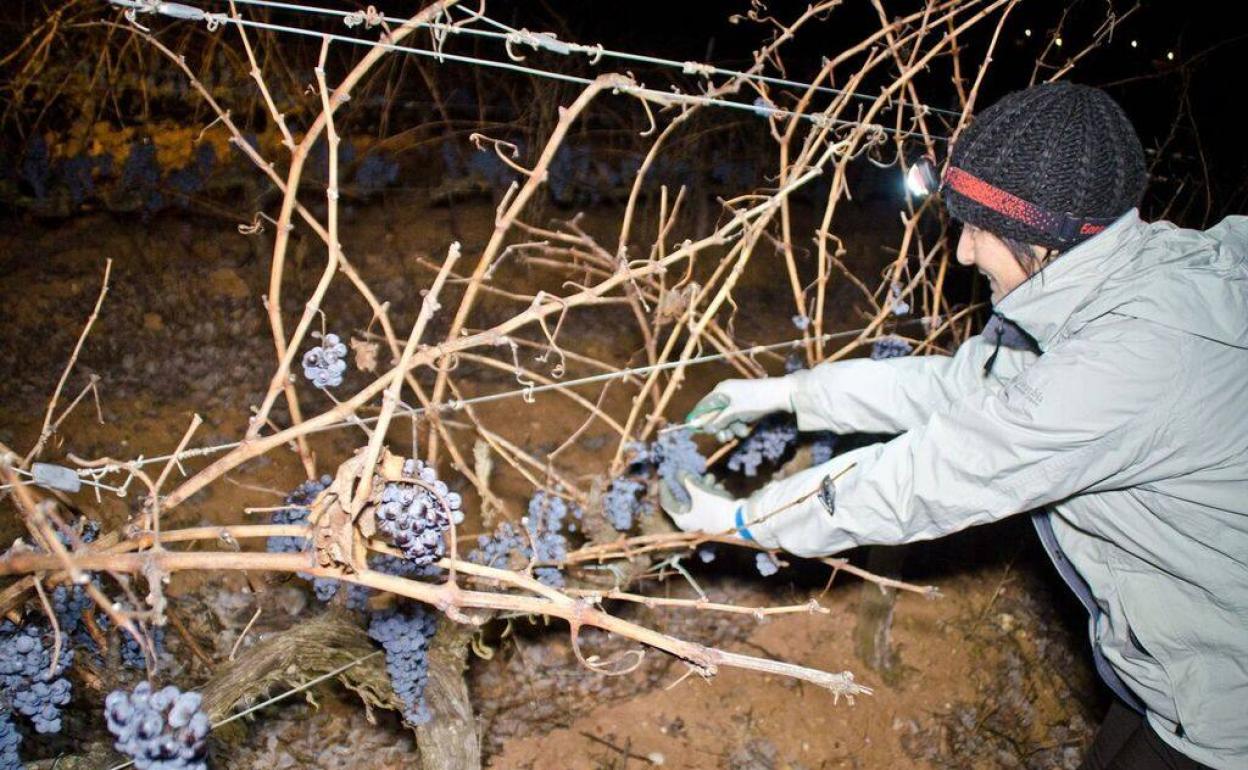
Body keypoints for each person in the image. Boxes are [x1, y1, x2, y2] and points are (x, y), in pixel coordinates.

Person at [659, 82, 1247, 770]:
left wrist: (747, 521)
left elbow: (929, 477)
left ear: (1046, 235)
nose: (963, 254)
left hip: (1225, 701)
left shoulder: (1129, 359)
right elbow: (958, 389)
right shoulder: (1119, 288)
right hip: (1177, 674)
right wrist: (790, 393)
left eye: (979, 229)